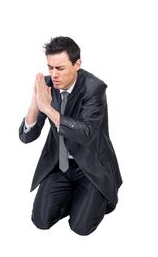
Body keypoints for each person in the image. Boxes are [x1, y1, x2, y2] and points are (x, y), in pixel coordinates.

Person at [19, 36, 122, 236]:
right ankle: (75, 199)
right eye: (50, 67)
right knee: (40, 221)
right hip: (60, 165)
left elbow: (85, 134)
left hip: (90, 166)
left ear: (77, 64)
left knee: (80, 228)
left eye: (60, 68)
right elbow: (27, 137)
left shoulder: (95, 88)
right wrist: (34, 104)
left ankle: (92, 199)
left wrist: (47, 109)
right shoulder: (47, 86)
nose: (54, 74)